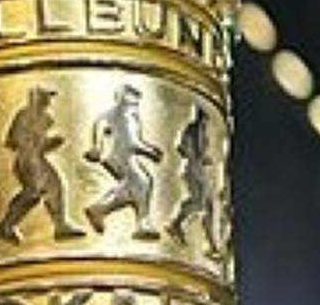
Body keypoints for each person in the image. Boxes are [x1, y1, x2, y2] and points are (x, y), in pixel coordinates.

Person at [0, 87, 85, 243]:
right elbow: (14, 141)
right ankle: (6, 225)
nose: (49, 101)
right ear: (37, 98)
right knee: (34, 193)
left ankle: (60, 226)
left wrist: (47, 143)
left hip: (34, 158)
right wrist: (46, 143)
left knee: (52, 187)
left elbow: (28, 143)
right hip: (28, 160)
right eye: (46, 96)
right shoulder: (26, 116)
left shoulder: (44, 118)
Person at [84, 84, 163, 238]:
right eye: (134, 102)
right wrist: (149, 151)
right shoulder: (127, 117)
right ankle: (142, 223)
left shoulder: (113, 115)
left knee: (136, 184)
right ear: (124, 99)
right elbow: (132, 142)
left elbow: (100, 125)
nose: (136, 106)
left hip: (112, 155)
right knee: (142, 181)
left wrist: (97, 148)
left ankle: (99, 209)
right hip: (120, 155)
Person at [166, 106, 222, 256]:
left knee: (207, 205)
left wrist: (204, 158)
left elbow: (201, 151)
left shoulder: (202, 132)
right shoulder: (192, 130)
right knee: (199, 202)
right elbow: (181, 147)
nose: (206, 123)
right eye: (205, 119)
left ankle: (212, 243)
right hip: (192, 169)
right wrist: (194, 157)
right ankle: (175, 223)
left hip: (199, 170)